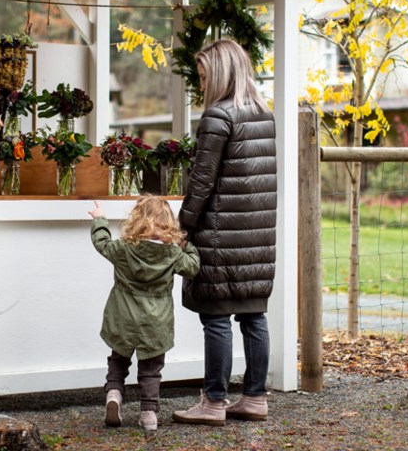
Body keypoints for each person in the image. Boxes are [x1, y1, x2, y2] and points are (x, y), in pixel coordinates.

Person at [171, 38, 278, 426]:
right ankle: (255, 397)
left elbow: (202, 180)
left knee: (216, 318)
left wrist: (184, 224)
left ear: (219, 74)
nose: (201, 85)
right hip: (258, 238)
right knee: (253, 316)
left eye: (203, 76)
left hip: (219, 234)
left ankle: (214, 401)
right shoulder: (263, 114)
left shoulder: (218, 116)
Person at [88, 196, 201, 432]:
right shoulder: (172, 254)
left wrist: (100, 220)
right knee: (151, 369)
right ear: (168, 224)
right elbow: (193, 267)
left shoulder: (123, 249)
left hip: (123, 317)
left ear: (137, 220)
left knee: (118, 360)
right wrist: (185, 244)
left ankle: (114, 395)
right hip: (155, 322)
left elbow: (102, 243)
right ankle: (149, 414)